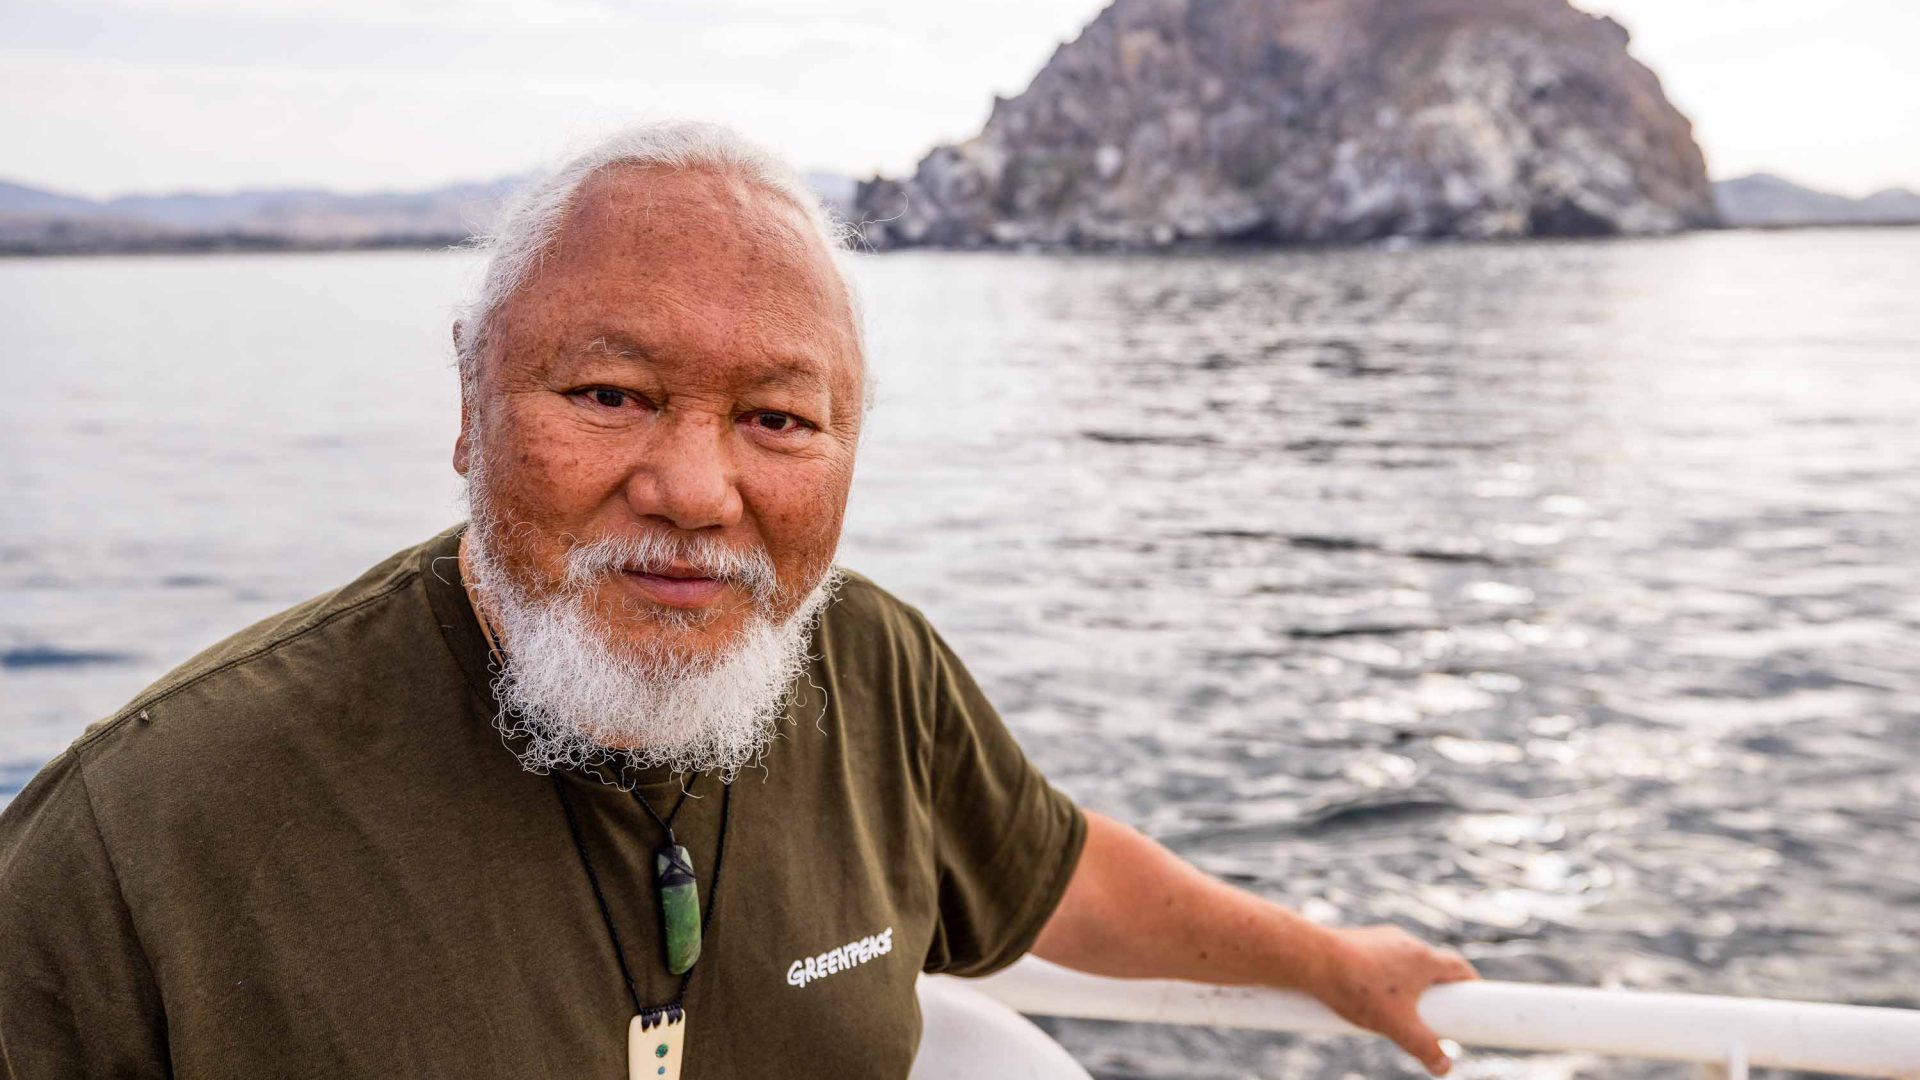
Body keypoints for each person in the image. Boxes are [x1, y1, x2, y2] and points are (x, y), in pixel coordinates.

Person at [0, 121, 1477, 1079]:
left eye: (778, 419)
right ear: (469, 405)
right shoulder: (148, 837)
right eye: (608, 393)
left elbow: (1058, 871)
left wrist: (1336, 968)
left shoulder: (871, 669)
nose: (695, 490)